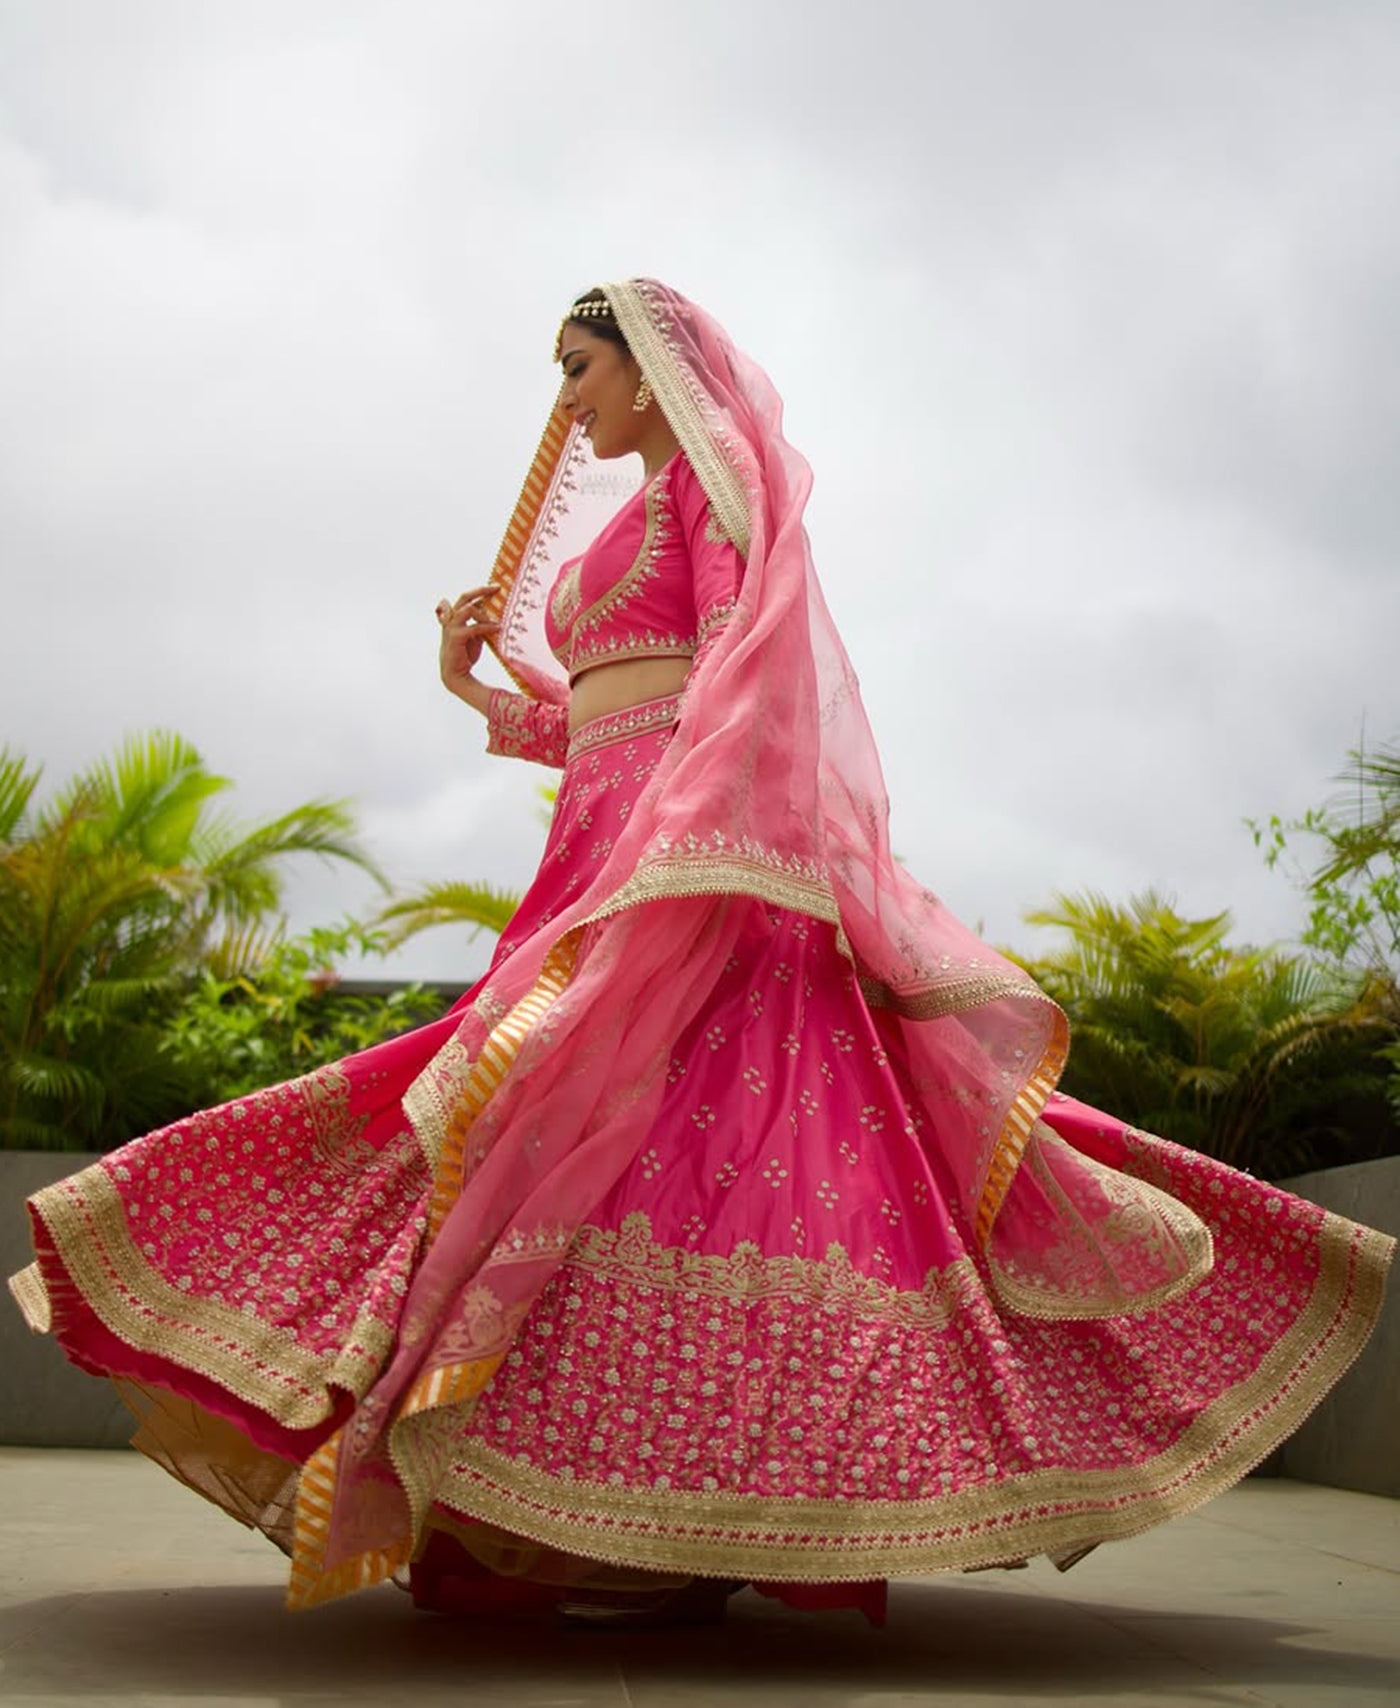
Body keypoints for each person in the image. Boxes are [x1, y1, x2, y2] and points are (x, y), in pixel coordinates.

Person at [12, 278, 1394, 1628]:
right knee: (532, 1131)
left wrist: (687, 846)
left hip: (691, 872)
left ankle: (675, 1524)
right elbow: (603, 722)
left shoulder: (707, 487)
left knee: (701, 1161)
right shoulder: (630, 517)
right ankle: (581, 1521)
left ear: (649, 364)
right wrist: (475, 686)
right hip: (601, 853)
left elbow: (740, 667)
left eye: (579, 368)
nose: (566, 402)